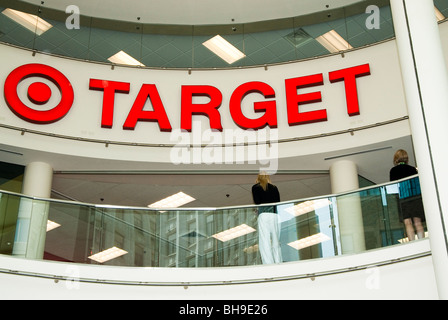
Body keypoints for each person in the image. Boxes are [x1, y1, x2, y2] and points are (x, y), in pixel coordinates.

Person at [389, 149, 425, 241]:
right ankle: (422, 241)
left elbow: (393, 188)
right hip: (415, 197)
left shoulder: (393, 171)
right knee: (417, 222)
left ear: (396, 159)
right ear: (406, 158)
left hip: (403, 199)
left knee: (407, 222)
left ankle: (412, 242)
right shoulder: (412, 169)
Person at [252, 172, 282, 264]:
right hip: (274, 215)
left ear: (258, 178)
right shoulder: (274, 187)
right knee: (276, 240)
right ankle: (278, 261)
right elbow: (278, 202)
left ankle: (268, 263)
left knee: (265, 240)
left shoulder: (255, 187)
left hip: (263, 214)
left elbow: (257, 202)